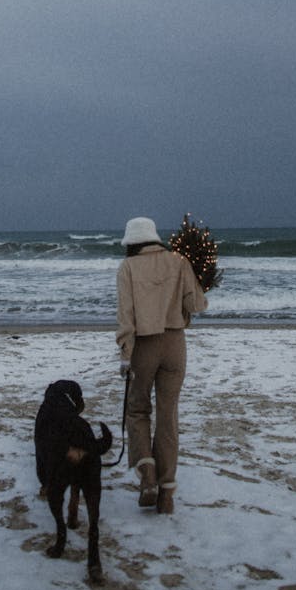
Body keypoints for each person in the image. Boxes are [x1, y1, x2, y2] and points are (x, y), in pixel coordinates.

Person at [116, 216, 207, 514]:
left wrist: (125, 354)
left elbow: (126, 316)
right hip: (175, 345)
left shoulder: (128, 268)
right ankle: (167, 492)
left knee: (138, 410)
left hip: (144, 345)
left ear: (132, 243)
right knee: (168, 417)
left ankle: (148, 479)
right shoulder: (179, 262)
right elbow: (196, 305)